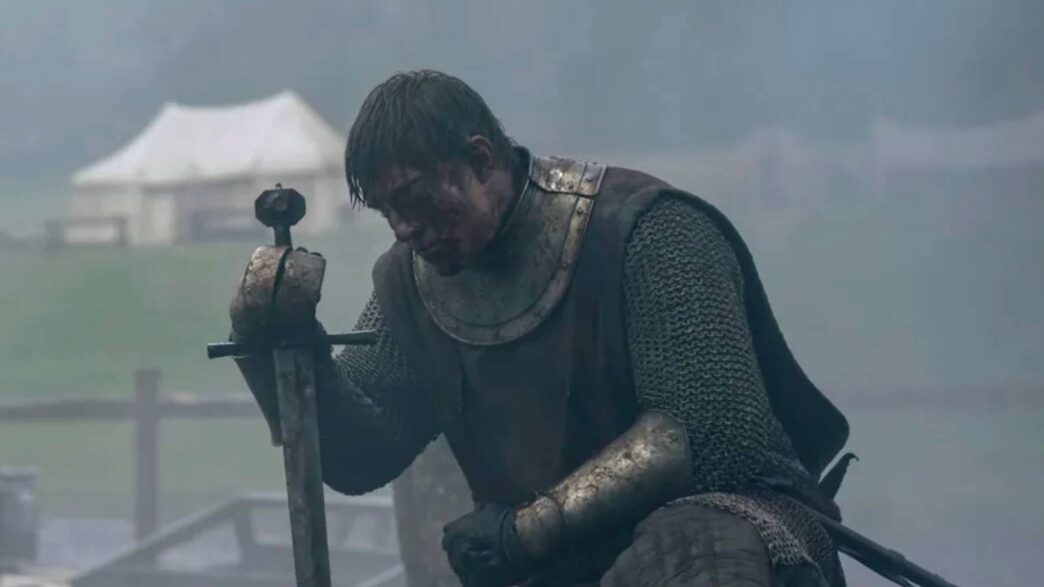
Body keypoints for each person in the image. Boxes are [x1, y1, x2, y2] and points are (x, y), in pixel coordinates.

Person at [229, 70, 850, 587]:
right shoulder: (411, 286)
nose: (405, 229)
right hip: (555, 566)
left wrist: (528, 529)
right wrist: (274, 344)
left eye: (415, 199)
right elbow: (356, 456)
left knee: (697, 549)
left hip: (721, 531)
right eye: (389, 211)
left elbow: (703, 434)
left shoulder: (649, 231)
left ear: (480, 159)